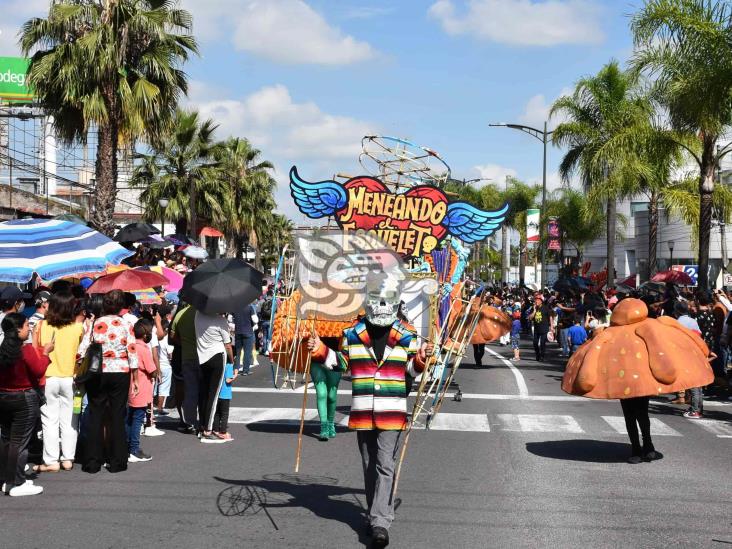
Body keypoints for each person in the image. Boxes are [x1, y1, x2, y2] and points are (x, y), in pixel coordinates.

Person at [307, 273, 432, 548]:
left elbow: (410, 371)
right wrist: (320, 350)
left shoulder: (407, 335)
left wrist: (421, 360)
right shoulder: (352, 334)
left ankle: (380, 522)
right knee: (368, 465)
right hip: (363, 411)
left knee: (384, 464)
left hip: (392, 411)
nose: (383, 303)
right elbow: (341, 364)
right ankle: (376, 511)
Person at [77, 290, 138, 474]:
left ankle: (92, 461)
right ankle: (117, 460)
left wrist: (79, 366)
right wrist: (135, 378)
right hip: (120, 371)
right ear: (121, 306)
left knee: (96, 414)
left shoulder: (96, 323)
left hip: (98, 372)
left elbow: (82, 349)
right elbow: (132, 351)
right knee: (117, 415)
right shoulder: (126, 324)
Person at [0, 313, 53, 496]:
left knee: (7, 439)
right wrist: (46, 353)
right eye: (25, 325)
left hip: (4, 396)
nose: (28, 328)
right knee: (19, 442)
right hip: (24, 397)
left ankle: (8, 479)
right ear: (18, 329)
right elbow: (39, 370)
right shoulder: (25, 349)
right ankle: (17, 482)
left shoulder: (3, 349)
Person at [34, 292, 84, 473]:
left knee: (49, 420)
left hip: (47, 377)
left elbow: (34, 352)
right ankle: (68, 458)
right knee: (71, 419)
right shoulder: (78, 328)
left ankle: (51, 460)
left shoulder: (40, 325)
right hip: (71, 378)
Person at [194, 309, 234, 443]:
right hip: (217, 356)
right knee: (214, 395)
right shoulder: (220, 320)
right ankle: (208, 430)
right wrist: (232, 361)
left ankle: (203, 426)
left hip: (202, 356)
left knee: (204, 394)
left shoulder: (198, 315)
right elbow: (228, 345)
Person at [127, 319, 156, 463]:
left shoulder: (131, 346)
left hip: (130, 387)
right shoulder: (144, 349)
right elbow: (152, 369)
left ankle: (127, 447)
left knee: (129, 418)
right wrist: (156, 373)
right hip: (142, 388)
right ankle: (134, 449)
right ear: (145, 334)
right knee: (138, 419)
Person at [170, 303, 198, 433]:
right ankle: (191, 420)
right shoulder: (201, 313)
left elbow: (172, 337)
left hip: (181, 355)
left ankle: (184, 420)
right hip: (193, 356)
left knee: (181, 388)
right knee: (194, 389)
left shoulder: (179, 314)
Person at [311, 336, 342, 440]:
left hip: (335, 357)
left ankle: (331, 423)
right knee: (321, 394)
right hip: (316, 358)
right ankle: (324, 426)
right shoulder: (311, 320)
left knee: (331, 396)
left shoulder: (344, 320)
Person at [154, 309, 174, 417]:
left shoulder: (155, 336)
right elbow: (170, 354)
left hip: (155, 365)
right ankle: (160, 408)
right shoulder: (167, 339)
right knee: (163, 389)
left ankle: (152, 407)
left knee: (154, 388)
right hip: (165, 366)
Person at [212, 361, 236, 441]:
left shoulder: (219, 363)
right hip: (225, 394)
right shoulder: (229, 365)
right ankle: (223, 432)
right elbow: (228, 380)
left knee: (217, 412)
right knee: (225, 414)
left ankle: (215, 430)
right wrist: (235, 374)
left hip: (217, 392)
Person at [231, 303, 257, 375]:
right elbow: (255, 320)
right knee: (247, 352)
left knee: (237, 352)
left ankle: (235, 369)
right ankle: (245, 370)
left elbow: (230, 320)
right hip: (248, 332)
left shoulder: (235, 308)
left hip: (238, 332)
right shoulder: (250, 308)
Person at [528, 294, 553, 362]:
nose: (536, 301)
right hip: (536, 329)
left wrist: (552, 327)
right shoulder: (534, 308)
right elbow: (530, 318)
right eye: (535, 300)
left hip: (544, 328)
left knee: (542, 343)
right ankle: (537, 355)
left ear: (541, 301)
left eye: (538, 300)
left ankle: (542, 356)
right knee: (535, 343)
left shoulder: (546, 308)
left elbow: (550, 317)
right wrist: (534, 311)